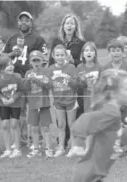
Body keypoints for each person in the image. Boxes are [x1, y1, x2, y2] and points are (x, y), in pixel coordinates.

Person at [71, 69, 127, 182]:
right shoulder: (111, 112)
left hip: (94, 175)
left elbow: (119, 141)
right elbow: (83, 121)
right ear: (113, 94)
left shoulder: (113, 113)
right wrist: (78, 144)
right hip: (89, 176)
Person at [2, 11, 48, 149]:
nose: (23, 22)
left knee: (35, 108)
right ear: (18, 22)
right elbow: (2, 58)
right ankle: (22, 140)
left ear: (31, 22)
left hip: (32, 79)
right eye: (21, 20)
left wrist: (37, 73)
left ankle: (37, 139)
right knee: (20, 111)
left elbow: (45, 59)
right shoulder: (12, 38)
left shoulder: (38, 39)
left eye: (26, 20)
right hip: (16, 80)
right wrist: (12, 53)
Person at [49, 14, 86, 150]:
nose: (69, 26)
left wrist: (72, 61)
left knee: (77, 112)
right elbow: (51, 60)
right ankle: (62, 142)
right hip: (59, 82)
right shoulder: (56, 41)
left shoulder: (81, 42)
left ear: (76, 26)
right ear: (63, 26)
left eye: (72, 23)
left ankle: (76, 142)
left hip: (73, 81)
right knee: (60, 113)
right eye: (67, 23)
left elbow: (83, 62)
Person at [102, 39, 127, 157]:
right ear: (109, 52)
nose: (116, 53)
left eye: (118, 50)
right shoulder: (106, 67)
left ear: (122, 52)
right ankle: (116, 148)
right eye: (113, 51)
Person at [48, 44, 79, 157]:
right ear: (53, 56)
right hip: (58, 102)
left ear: (66, 55)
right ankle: (61, 147)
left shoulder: (71, 67)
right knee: (61, 125)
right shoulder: (51, 69)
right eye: (57, 55)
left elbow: (76, 85)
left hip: (70, 100)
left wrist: (68, 79)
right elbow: (49, 84)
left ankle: (73, 147)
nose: (60, 57)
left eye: (62, 55)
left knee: (71, 124)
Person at [0, 55, 26, 158]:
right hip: (4, 105)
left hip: (15, 104)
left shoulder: (17, 77)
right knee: (4, 125)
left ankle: (17, 149)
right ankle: (7, 149)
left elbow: (21, 90)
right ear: (1, 69)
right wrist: (2, 98)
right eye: (7, 66)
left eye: (11, 64)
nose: (11, 67)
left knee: (14, 125)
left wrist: (13, 98)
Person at [24, 50, 54, 158]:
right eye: (33, 60)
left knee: (45, 127)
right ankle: (35, 148)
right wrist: (28, 80)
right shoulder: (28, 73)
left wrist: (36, 80)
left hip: (44, 103)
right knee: (34, 128)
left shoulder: (46, 71)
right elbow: (25, 88)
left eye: (38, 60)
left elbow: (49, 85)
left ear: (42, 61)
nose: (36, 63)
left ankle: (48, 148)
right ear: (30, 62)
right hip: (32, 104)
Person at [76, 42, 102, 156]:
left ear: (95, 53)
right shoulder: (80, 67)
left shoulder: (100, 67)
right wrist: (82, 81)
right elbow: (79, 86)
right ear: (82, 54)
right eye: (86, 50)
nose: (89, 52)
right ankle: (88, 148)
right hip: (86, 100)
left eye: (91, 50)